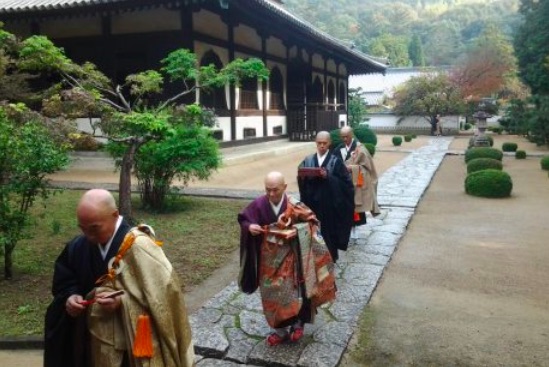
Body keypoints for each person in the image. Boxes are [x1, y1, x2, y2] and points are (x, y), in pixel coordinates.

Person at [44, 189, 195, 367]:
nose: (89, 236)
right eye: (83, 229)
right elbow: (65, 280)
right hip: (89, 344)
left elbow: (165, 298)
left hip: (130, 347)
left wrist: (122, 302)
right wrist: (70, 296)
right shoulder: (78, 247)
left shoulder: (139, 246)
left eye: (94, 228)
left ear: (114, 215)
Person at [238, 172, 336, 347]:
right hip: (268, 262)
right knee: (272, 295)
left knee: (298, 291)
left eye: (275, 190)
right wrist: (249, 227)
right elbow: (245, 218)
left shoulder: (294, 205)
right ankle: (280, 331)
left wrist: (298, 231)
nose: (271, 194)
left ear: (284, 187)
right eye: (267, 190)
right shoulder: (259, 204)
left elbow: (312, 221)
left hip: (294, 259)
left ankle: (298, 324)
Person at [297, 131, 354, 262]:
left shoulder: (336, 162)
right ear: (315, 143)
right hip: (312, 206)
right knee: (312, 236)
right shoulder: (308, 160)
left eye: (325, 143)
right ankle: (312, 262)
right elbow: (301, 181)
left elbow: (346, 186)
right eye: (319, 143)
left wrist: (328, 177)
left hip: (330, 208)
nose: (322, 146)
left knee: (328, 239)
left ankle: (329, 262)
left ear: (330, 143)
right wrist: (303, 176)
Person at [335, 126, 381, 235]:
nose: (344, 139)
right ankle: (345, 228)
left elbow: (367, 168)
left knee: (355, 206)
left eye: (346, 137)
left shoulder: (360, 149)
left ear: (351, 135)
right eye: (342, 137)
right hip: (342, 182)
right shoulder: (338, 148)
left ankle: (354, 229)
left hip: (356, 182)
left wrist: (353, 168)